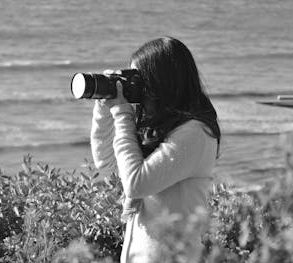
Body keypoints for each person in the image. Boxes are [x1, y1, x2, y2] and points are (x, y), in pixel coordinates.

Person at [90, 36, 221, 262]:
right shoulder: (159, 129)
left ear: (160, 83)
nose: (136, 88)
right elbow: (106, 160)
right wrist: (104, 108)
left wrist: (122, 114)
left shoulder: (195, 133)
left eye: (139, 80)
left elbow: (136, 184)